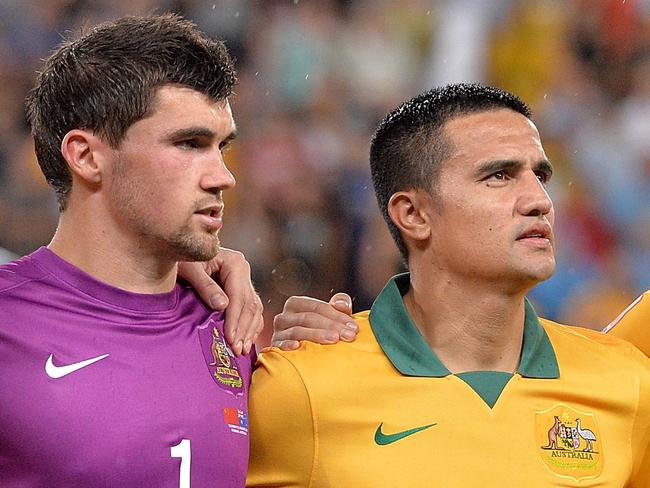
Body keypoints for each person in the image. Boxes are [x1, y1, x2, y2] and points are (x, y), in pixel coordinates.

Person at [247, 83, 650, 487]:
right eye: (499, 175)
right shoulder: (299, 387)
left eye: (540, 175)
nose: (540, 199)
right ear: (414, 215)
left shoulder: (629, 383)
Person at [0, 14, 264, 486]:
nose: (223, 176)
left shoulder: (233, 327)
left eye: (221, 146)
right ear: (86, 156)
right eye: (189, 143)